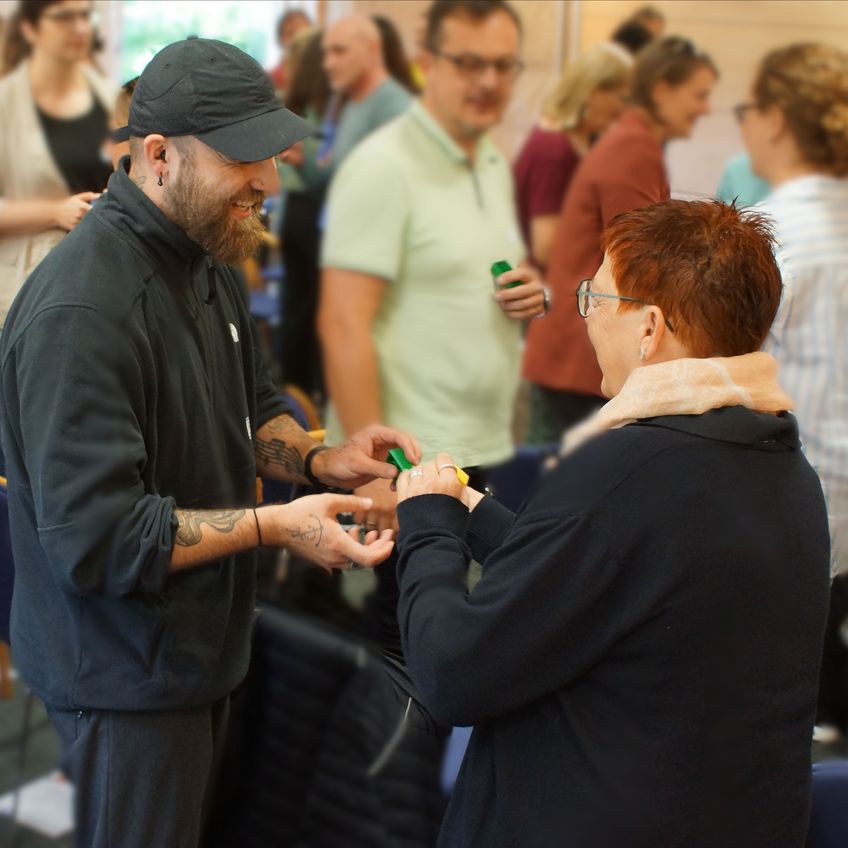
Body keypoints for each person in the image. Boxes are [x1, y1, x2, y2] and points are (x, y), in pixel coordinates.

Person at [0, 37, 419, 848]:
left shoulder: (209, 256)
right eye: (243, 160)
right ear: (157, 156)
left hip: (199, 652)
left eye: (270, 153)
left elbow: (250, 405)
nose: (268, 179)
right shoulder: (82, 316)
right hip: (124, 679)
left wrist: (319, 460)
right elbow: (99, 541)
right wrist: (275, 526)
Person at [393, 199, 831, 848]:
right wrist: (473, 513)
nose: (586, 321)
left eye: (594, 301)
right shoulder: (781, 467)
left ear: (649, 328)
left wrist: (426, 523)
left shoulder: (622, 472)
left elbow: (450, 673)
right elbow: (619, 581)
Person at [319, 0, 545, 653]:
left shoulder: (490, 161)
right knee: (409, 640)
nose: (488, 81)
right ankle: (395, 756)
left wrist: (530, 291)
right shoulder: (385, 167)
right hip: (410, 456)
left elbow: (492, 269)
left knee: (458, 630)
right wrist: (383, 476)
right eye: (468, 63)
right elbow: (341, 324)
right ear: (427, 66)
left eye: (503, 65)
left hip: (473, 446)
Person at [523, 36, 716, 441]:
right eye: (697, 95)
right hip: (582, 357)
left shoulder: (632, 142)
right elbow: (643, 266)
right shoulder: (633, 149)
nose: (705, 108)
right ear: (662, 90)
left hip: (576, 348)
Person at [738, 42, 848, 743]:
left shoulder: (775, 234)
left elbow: (723, 361)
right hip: (842, 487)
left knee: (773, 676)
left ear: (775, 119)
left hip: (798, 484)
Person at [0, 0, 115, 326]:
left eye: (84, 16)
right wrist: (54, 212)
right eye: (64, 17)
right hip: (25, 290)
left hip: (97, 281)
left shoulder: (108, 99)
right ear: (29, 29)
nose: (79, 28)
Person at [513, 42, 633, 271]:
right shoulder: (553, 150)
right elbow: (545, 248)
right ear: (593, 93)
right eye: (622, 98)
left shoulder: (574, 139)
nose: (623, 110)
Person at [322, 14, 413, 172]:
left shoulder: (393, 106)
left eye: (339, 51)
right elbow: (338, 173)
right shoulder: (353, 101)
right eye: (327, 53)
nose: (328, 64)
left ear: (372, 50)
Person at [269, 6, 312, 95]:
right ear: (280, 39)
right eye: (291, 34)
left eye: (303, 33)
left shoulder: (323, 79)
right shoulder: (269, 80)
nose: (297, 40)